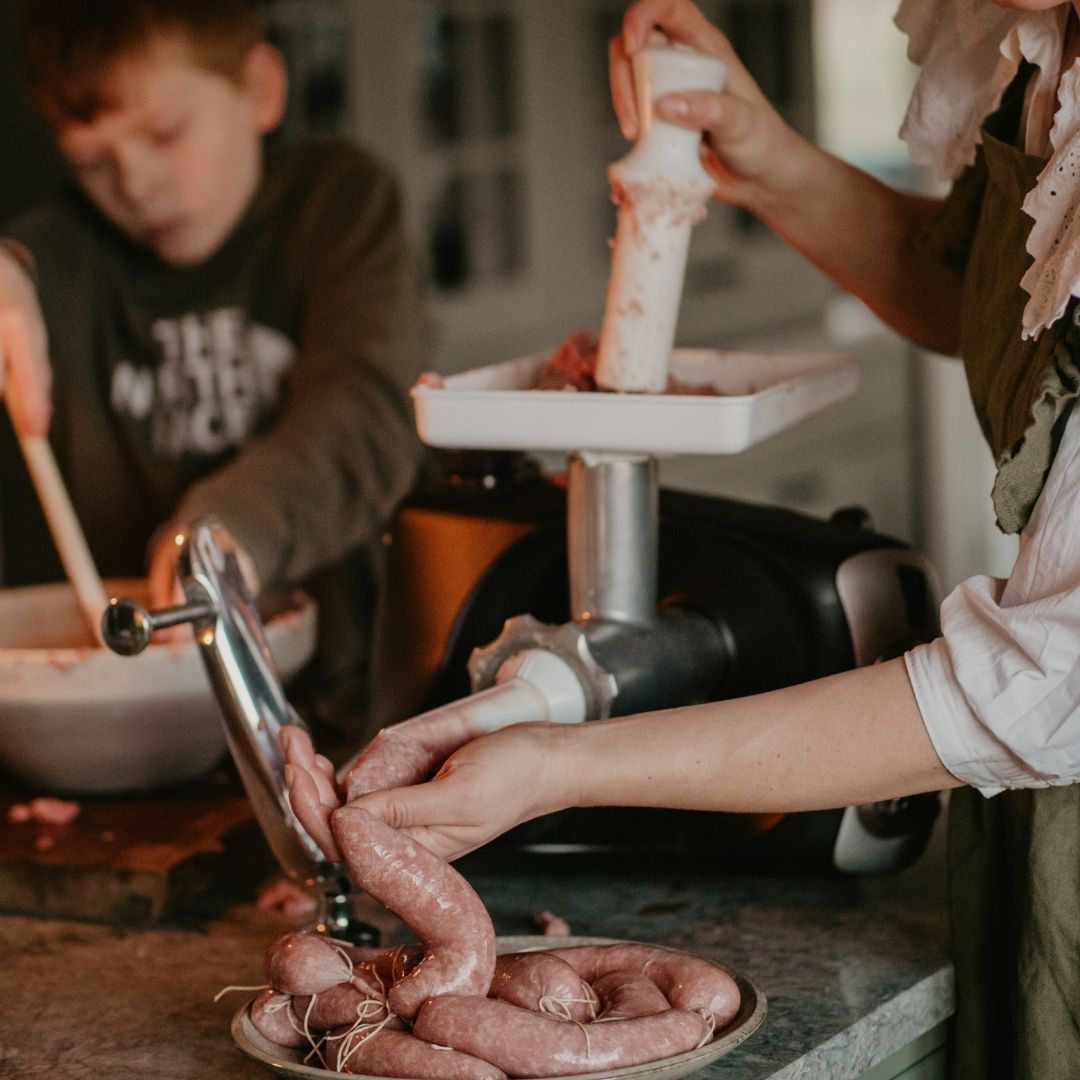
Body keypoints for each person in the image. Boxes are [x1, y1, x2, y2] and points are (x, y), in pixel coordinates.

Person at [284, 0, 1080, 1076]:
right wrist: (766, 158)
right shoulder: (1031, 34)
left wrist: (558, 768)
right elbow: (985, 284)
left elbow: (1039, 681)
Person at [0, 0, 426, 735]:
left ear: (260, 89)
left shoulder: (338, 206)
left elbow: (366, 415)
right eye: (92, 164)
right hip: (137, 723)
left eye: (164, 134)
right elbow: (23, 264)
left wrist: (226, 534)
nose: (134, 185)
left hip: (349, 700)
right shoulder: (58, 257)